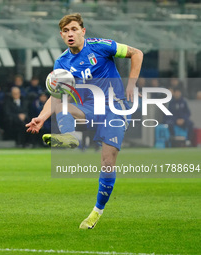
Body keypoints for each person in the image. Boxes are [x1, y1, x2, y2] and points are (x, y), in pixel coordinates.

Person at [26, 13, 143, 229]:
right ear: (61, 35)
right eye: (65, 31)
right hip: (89, 108)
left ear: (83, 31)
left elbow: (137, 53)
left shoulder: (102, 46)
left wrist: (131, 84)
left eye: (73, 29)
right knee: (62, 100)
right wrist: (41, 118)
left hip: (115, 107)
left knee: (107, 162)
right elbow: (56, 94)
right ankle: (70, 137)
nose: (70, 34)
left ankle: (96, 212)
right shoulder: (62, 61)